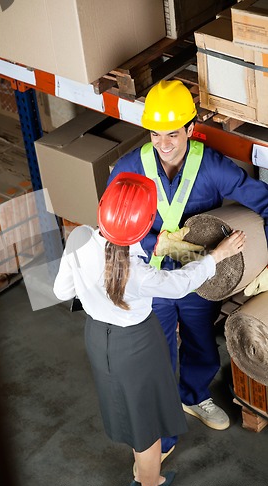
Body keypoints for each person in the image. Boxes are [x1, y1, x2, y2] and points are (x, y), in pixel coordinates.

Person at [53, 172, 246, 486]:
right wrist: (217, 255)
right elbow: (181, 283)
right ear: (143, 227)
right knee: (149, 425)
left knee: (131, 412)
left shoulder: (79, 238)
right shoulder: (138, 272)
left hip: (99, 338)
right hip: (138, 345)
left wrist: (92, 287)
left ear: (103, 209)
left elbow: (62, 291)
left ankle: (145, 478)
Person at [108, 79, 268, 460]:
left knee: (200, 341)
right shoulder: (131, 168)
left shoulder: (210, 167)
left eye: (173, 135)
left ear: (191, 129)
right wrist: (154, 245)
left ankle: (194, 396)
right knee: (159, 355)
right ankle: (159, 438)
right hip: (154, 279)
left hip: (201, 280)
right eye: (156, 134)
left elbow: (263, 201)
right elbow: (114, 224)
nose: (164, 144)